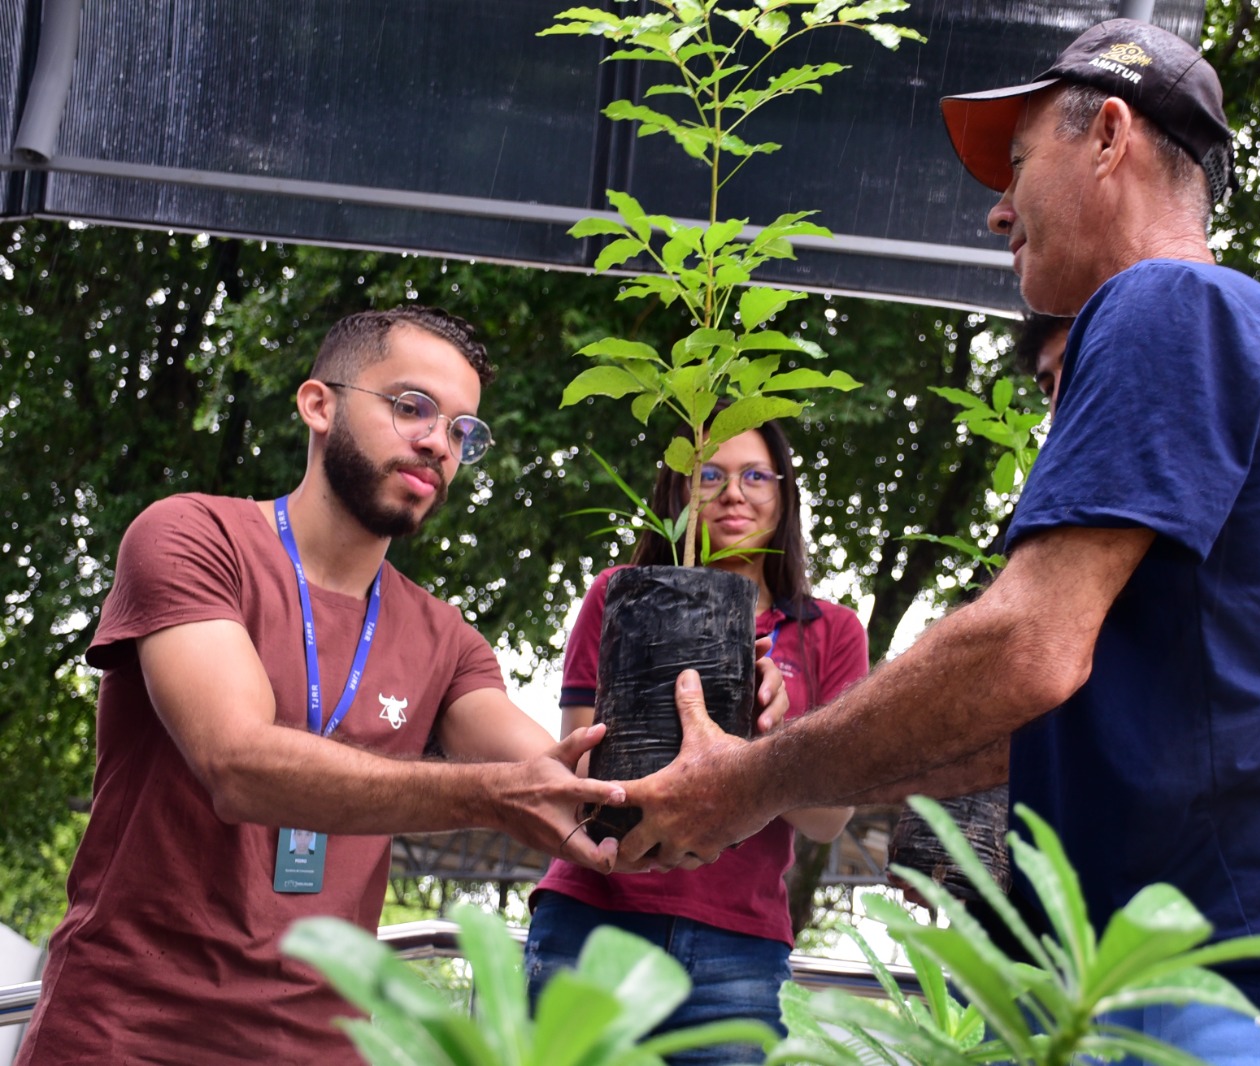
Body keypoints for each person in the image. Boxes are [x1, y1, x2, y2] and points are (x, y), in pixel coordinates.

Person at [610, 18, 1260, 1061]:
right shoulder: (1241, 326)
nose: (997, 208)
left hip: (1236, 970)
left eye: (1018, 164)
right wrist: (785, 776)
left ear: (1109, 137)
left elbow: (1027, 648)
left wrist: (741, 783)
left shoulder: (1164, 300)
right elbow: (1037, 707)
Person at [17, 306, 786, 1064]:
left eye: (460, 430)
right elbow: (236, 762)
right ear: (319, 405)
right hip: (126, 1035)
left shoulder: (443, 639)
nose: (436, 443)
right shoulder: (194, 539)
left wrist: (727, 722)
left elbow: (574, 782)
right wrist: (484, 796)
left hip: (326, 1047)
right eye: (412, 406)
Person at [525, 419, 869, 1062]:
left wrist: (774, 736)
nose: (733, 493)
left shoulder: (831, 632)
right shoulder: (617, 595)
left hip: (736, 946)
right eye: (709, 475)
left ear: (785, 494)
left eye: (755, 476)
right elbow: (577, 768)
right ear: (678, 494)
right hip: (594, 917)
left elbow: (828, 821)